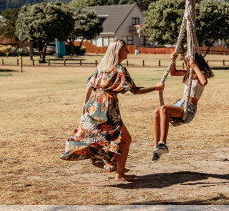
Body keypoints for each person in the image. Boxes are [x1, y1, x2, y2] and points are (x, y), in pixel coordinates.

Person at [61, 39, 163, 181]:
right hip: (108, 108)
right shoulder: (120, 70)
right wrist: (156, 88)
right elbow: (135, 91)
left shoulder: (102, 67)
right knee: (123, 139)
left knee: (107, 138)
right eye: (125, 50)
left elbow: (90, 85)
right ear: (118, 52)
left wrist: (85, 105)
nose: (128, 52)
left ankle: (117, 167)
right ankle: (119, 173)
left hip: (94, 105)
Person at [151, 51, 212, 162]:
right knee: (156, 112)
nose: (187, 64)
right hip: (179, 103)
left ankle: (162, 143)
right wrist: (172, 60)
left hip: (189, 108)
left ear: (195, 62)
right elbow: (173, 72)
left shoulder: (201, 73)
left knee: (164, 109)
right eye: (185, 62)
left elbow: (203, 82)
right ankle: (157, 148)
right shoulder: (188, 72)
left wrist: (194, 66)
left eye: (188, 62)